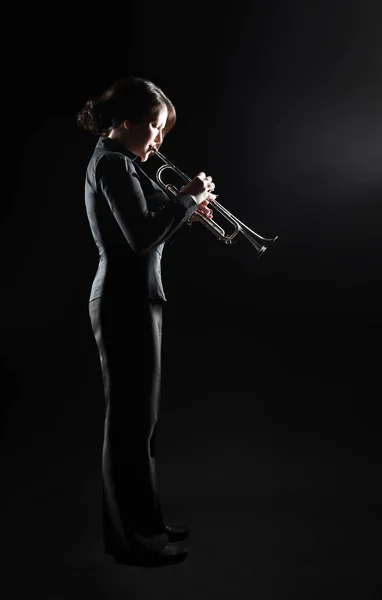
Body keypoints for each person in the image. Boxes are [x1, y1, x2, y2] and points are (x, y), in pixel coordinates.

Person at [76, 76, 216, 567]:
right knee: (129, 427)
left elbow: (149, 237)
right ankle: (131, 540)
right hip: (122, 300)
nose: (159, 141)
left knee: (143, 425)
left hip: (137, 298)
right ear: (128, 121)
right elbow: (139, 238)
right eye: (154, 129)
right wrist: (184, 199)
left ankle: (148, 527)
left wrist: (184, 210)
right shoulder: (113, 164)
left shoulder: (122, 164)